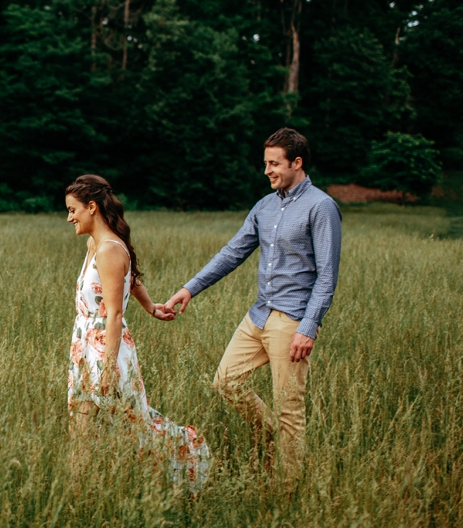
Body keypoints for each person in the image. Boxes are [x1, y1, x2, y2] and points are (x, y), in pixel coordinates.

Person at [163, 128, 342, 486]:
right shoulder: (265, 206)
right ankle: (275, 435)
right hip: (258, 315)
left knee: (289, 408)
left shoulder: (321, 207)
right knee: (225, 382)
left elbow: (327, 275)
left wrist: (308, 326)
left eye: (274, 164)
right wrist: (190, 289)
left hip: (291, 321)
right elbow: (233, 253)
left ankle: (286, 490)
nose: (267, 171)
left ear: (297, 162)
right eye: (265, 163)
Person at [65, 174, 211, 492]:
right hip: (85, 347)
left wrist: (106, 368)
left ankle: (189, 451)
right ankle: (82, 493)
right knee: (85, 427)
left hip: (107, 351)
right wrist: (151, 307)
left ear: (92, 207)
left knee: (135, 427)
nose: (69, 217)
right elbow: (129, 280)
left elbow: (114, 313)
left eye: (73, 209)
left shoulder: (109, 250)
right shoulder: (96, 244)